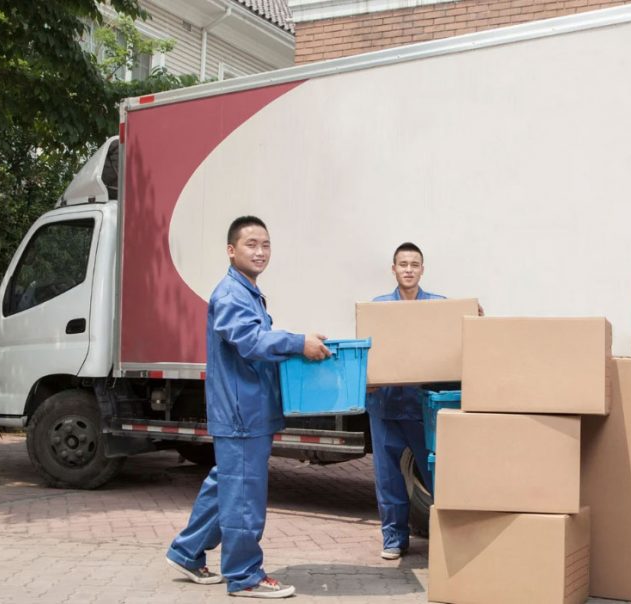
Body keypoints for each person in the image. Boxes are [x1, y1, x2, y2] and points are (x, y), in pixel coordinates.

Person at [165, 215, 331, 599]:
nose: (260, 251)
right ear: (231, 250)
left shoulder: (247, 291)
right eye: (251, 244)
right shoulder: (230, 294)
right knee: (242, 496)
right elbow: (250, 342)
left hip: (247, 410)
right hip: (242, 413)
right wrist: (297, 343)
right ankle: (244, 576)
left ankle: (187, 552)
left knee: (227, 485)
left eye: (265, 244)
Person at [366, 242, 443, 560]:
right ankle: (394, 539)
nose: (409, 269)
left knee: (438, 473)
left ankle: (451, 535)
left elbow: (459, 331)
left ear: (422, 269)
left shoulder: (438, 306)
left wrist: (474, 316)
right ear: (393, 269)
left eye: (414, 264)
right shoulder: (378, 307)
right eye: (403, 264)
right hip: (384, 406)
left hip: (422, 407)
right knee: (388, 476)